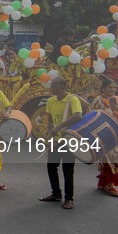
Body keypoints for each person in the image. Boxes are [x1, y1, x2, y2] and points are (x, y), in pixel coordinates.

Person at [39, 77, 82, 209]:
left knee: (67, 170)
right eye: (52, 86)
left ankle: (69, 199)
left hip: (69, 140)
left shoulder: (72, 99)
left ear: (63, 87)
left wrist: (60, 126)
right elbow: (50, 119)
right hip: (56, 140)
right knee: (51, 167)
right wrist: (52, 132)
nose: (52, 89)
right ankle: (56, 194)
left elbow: (78, 116)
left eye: (54, 86)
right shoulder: (51, 101)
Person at [90, 79, 118, 197]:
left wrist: (115, 109)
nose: (112, 90)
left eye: (114, 87)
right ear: (103, 88)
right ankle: (109, 185)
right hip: (103, 135)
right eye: (110, 87)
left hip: (114, 134)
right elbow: (91, 116)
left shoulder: (116, 99)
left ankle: (102, 183)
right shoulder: (98, 101)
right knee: (110, 159)